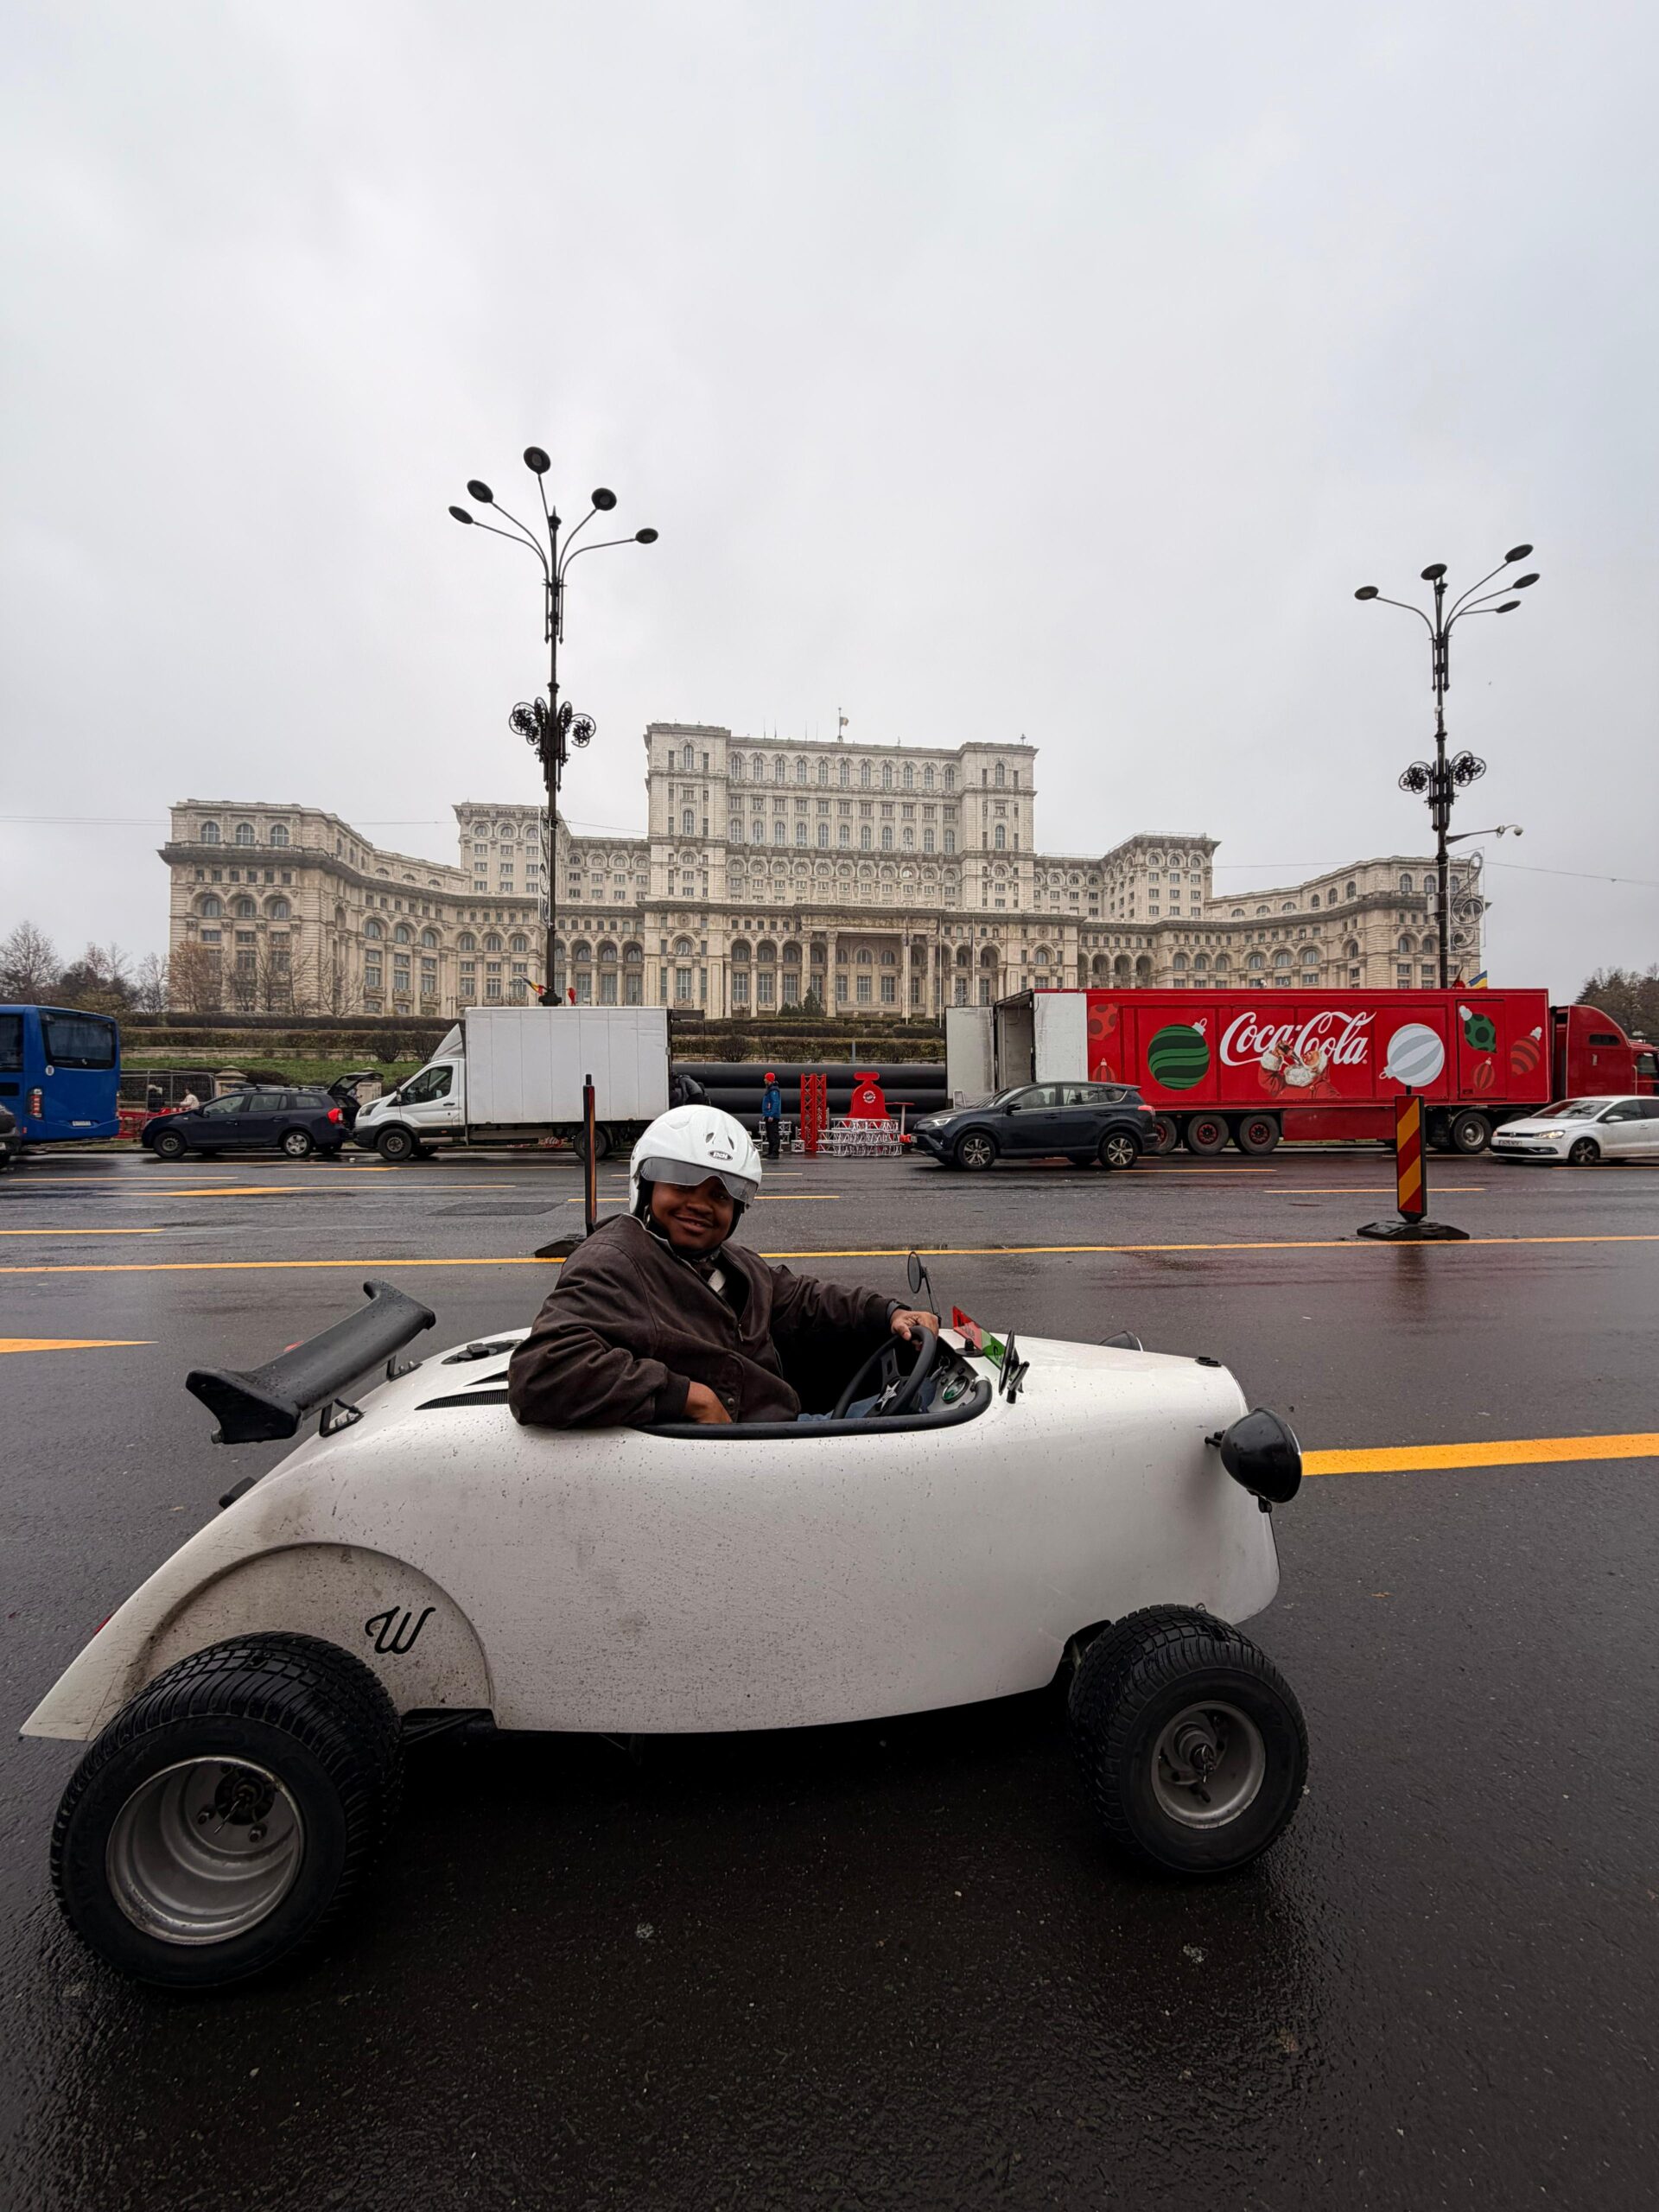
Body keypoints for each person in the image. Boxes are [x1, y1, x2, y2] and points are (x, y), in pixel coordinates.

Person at [507, 1105, 938, 1428]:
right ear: (647, 1187)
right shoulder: (617, 1261)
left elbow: (805, 1298)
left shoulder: (726, 1263)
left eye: (719, 1195)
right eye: (682, 1184)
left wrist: (889, 1313)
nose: (699, 1205)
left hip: (771, 1430)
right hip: (747, 1452)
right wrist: (688, 1398)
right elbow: (542, 1372)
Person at [760, 1069, 783, 1159]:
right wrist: (765, 1114)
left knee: (773, 1134)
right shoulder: (770, 1089)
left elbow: (775, 1102)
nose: (764, 1080)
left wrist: (771, 1115)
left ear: (769, 1079)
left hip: (772, 1116)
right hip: (768, 1115)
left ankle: (775, 1152)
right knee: (769, 1134)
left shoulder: (773, 1090)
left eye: (765, 1078)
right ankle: (770, 1152)